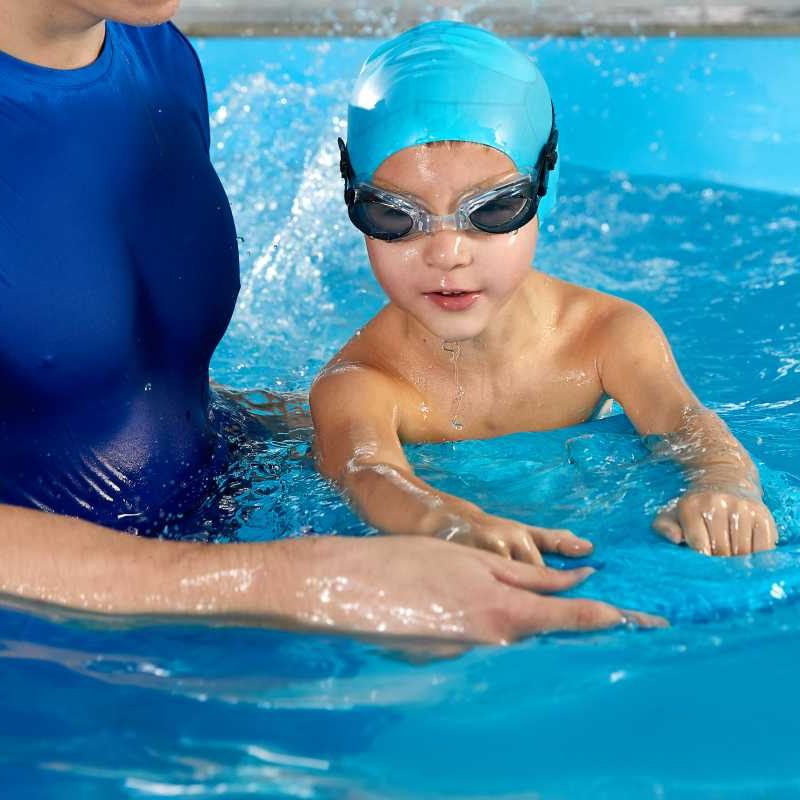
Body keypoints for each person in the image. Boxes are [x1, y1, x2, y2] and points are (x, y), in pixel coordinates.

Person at [0, 2, 664, 643]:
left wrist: (368, 430)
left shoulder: (152, 51)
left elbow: (111, 377)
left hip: (209, 546)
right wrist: (301, 580)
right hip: (51, 639)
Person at [311, 21, 779, 562]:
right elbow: (366, 471)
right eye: (393, 214)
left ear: (543, 190)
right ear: (353, 204)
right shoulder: (360, 384)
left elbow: (687, 427)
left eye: (492, 210)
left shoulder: (604, 335)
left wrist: (725, 488)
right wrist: (443, 521)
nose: (446, 253)